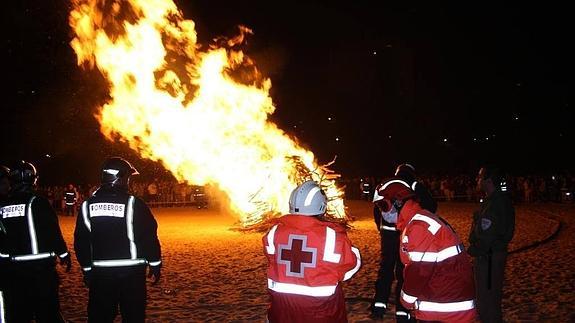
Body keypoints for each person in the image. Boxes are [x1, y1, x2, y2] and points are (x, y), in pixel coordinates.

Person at [74, 157, 162, 322]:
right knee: (133, 316)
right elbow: (148, 236)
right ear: (120, 178)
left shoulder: (87, 205)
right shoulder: (134, 204)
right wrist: (155, 264)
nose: (129, 182)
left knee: (100, 317)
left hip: (101, 274)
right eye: (128, 178)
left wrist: (86, 269)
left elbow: (81, 241)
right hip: (132, 274)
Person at [377, 177, 477, 322]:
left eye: (383, 206)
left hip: (446, 307)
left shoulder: (419, 227)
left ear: (398, 202)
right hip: (444, 299)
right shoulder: (417, 221)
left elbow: (419, 270)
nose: (383, 212)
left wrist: (405, 300)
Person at [263, 180, 361, 322]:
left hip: (281, 312)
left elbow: (272, 261)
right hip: (320, 313)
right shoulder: (331, 236)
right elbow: (349, 267)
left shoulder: (275, 231)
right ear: (322, 206)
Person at [0, 160, 71, 322]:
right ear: (33, 179)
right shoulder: (38, 202)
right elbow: (52, 232)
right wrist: (65, 254)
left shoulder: (3, 205)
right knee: (47, 315)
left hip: (14, 273)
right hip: (41, 273)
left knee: (19, 315)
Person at [468, 166, 515, 323]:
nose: (477, 180)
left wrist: (473, 249)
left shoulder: (495, 203)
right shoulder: (495, 200)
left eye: (480, 177)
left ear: (488, 180)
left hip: (488, 257)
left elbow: (487, 235)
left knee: (486, 301)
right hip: (492, 254)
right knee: (491, 299)